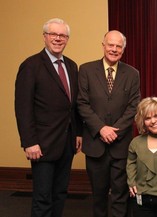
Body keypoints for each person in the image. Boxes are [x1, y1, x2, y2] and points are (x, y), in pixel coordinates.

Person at [15, 18, 83, 217]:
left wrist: (78, 132)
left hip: (67, 143)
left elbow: (73, 106)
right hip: (41, 145)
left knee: (60, 194)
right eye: (53, 34)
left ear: (67, 39)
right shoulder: (31, 65)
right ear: (45, 37)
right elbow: (22, 107)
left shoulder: (71, 66)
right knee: (43, 197)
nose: (58, 38)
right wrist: (29, 142)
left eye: (62, 35)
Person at [77, 30, 141, 217]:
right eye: (110, 45)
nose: (114, 49)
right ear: (103, 45)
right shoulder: (86, 70)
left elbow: (134, 106)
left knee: (121, 195)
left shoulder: (132, 73)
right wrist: (101, 128)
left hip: (121, 146)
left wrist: (115, 131)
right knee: (98, 196)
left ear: (123, 49)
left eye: (118, 46)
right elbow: (82, 103)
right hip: (95, 144)